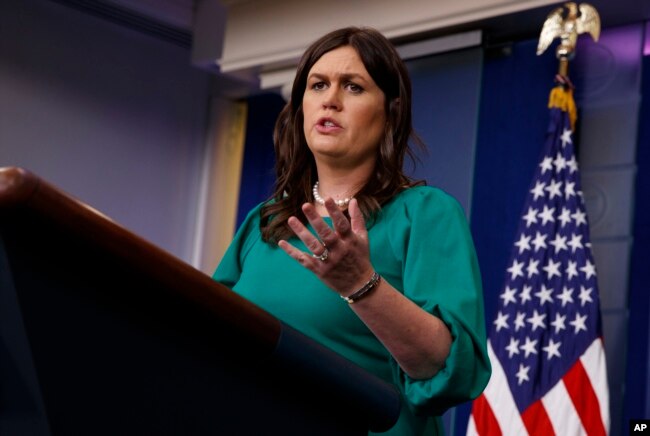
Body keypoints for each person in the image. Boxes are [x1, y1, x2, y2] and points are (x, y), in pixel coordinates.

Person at [213, 26, 491, 435]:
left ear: (390, 112)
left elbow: (449, 370)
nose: (331, 100)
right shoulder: (265, 220)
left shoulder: (425, 214)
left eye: (354, 87)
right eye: (318, 85)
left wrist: (361, 283)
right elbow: (208, 332)